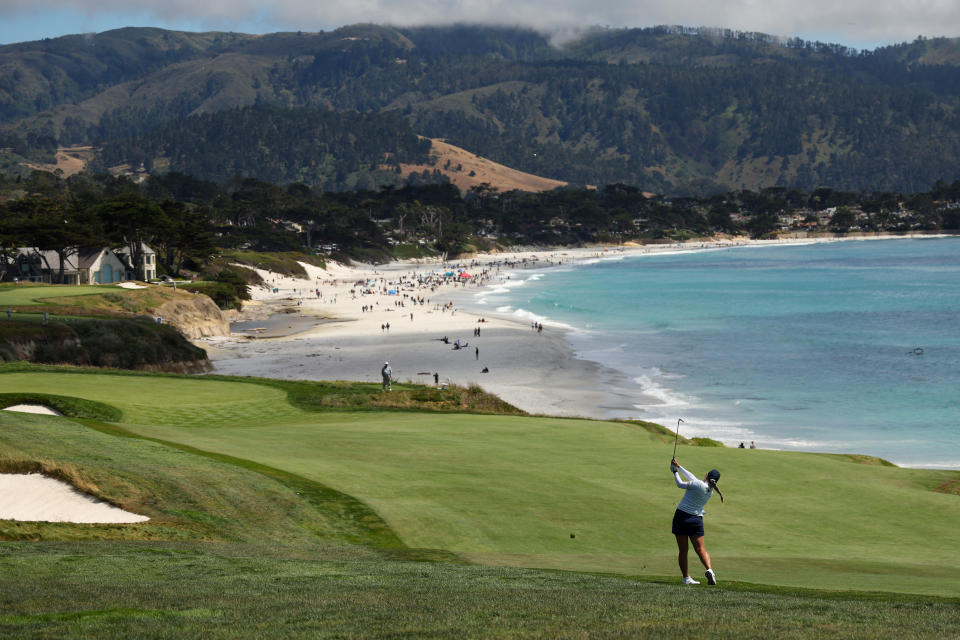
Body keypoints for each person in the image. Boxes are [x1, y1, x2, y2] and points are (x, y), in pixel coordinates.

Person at [670, 457, 723, 585]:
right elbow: (692, 477)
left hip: (681, 517)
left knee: (683, 551)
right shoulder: (710, 491)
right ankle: (710, 570)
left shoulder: (698, 484)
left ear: (707, 475)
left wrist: (674, 472)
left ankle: (686, 578)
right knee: (701, 549)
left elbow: (680, 484)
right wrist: (679, 466)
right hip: (696, 520)